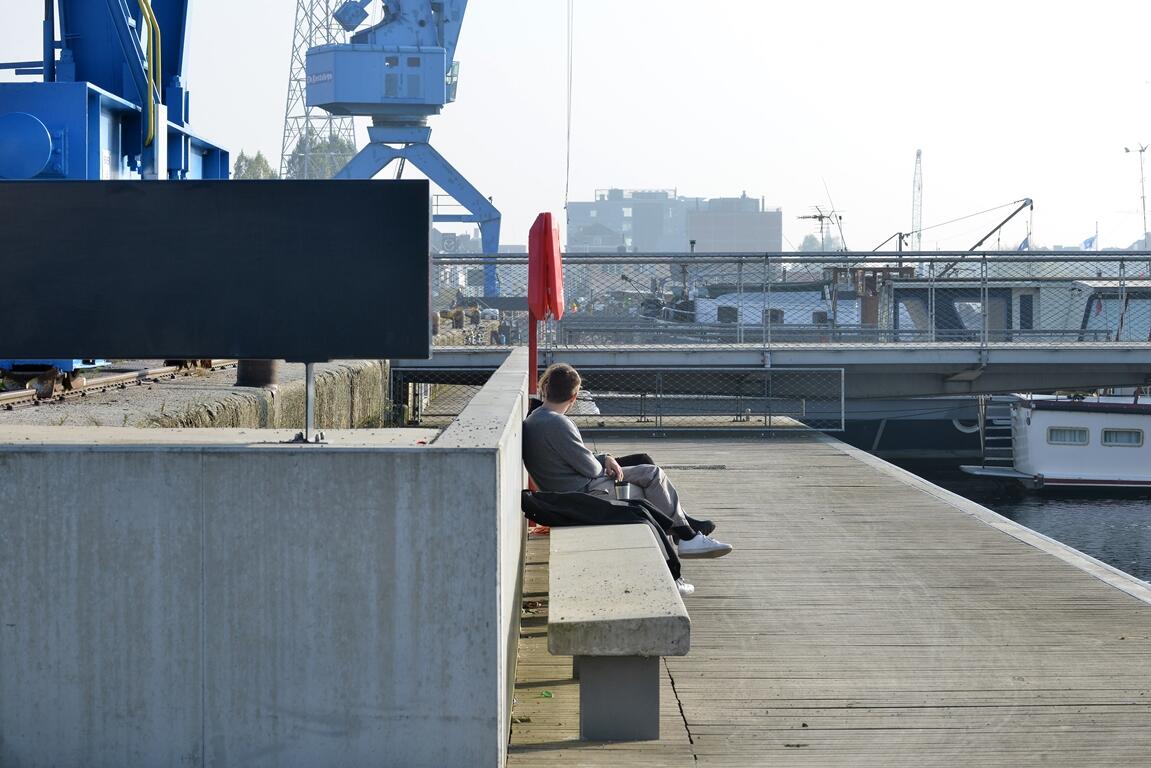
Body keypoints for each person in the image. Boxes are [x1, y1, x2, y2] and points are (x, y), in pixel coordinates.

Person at [523, 363, 733, 591]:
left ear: (545, 387)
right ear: (574, 397)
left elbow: (576, 459)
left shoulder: (537, 418)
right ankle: (683, 545)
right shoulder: (557, 423)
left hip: (570, 490)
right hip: (584, 493)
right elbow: (591, 469)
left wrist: (605, 458)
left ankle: (685, 538)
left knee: (649, 477)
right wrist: (605, 460)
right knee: (649, 486)